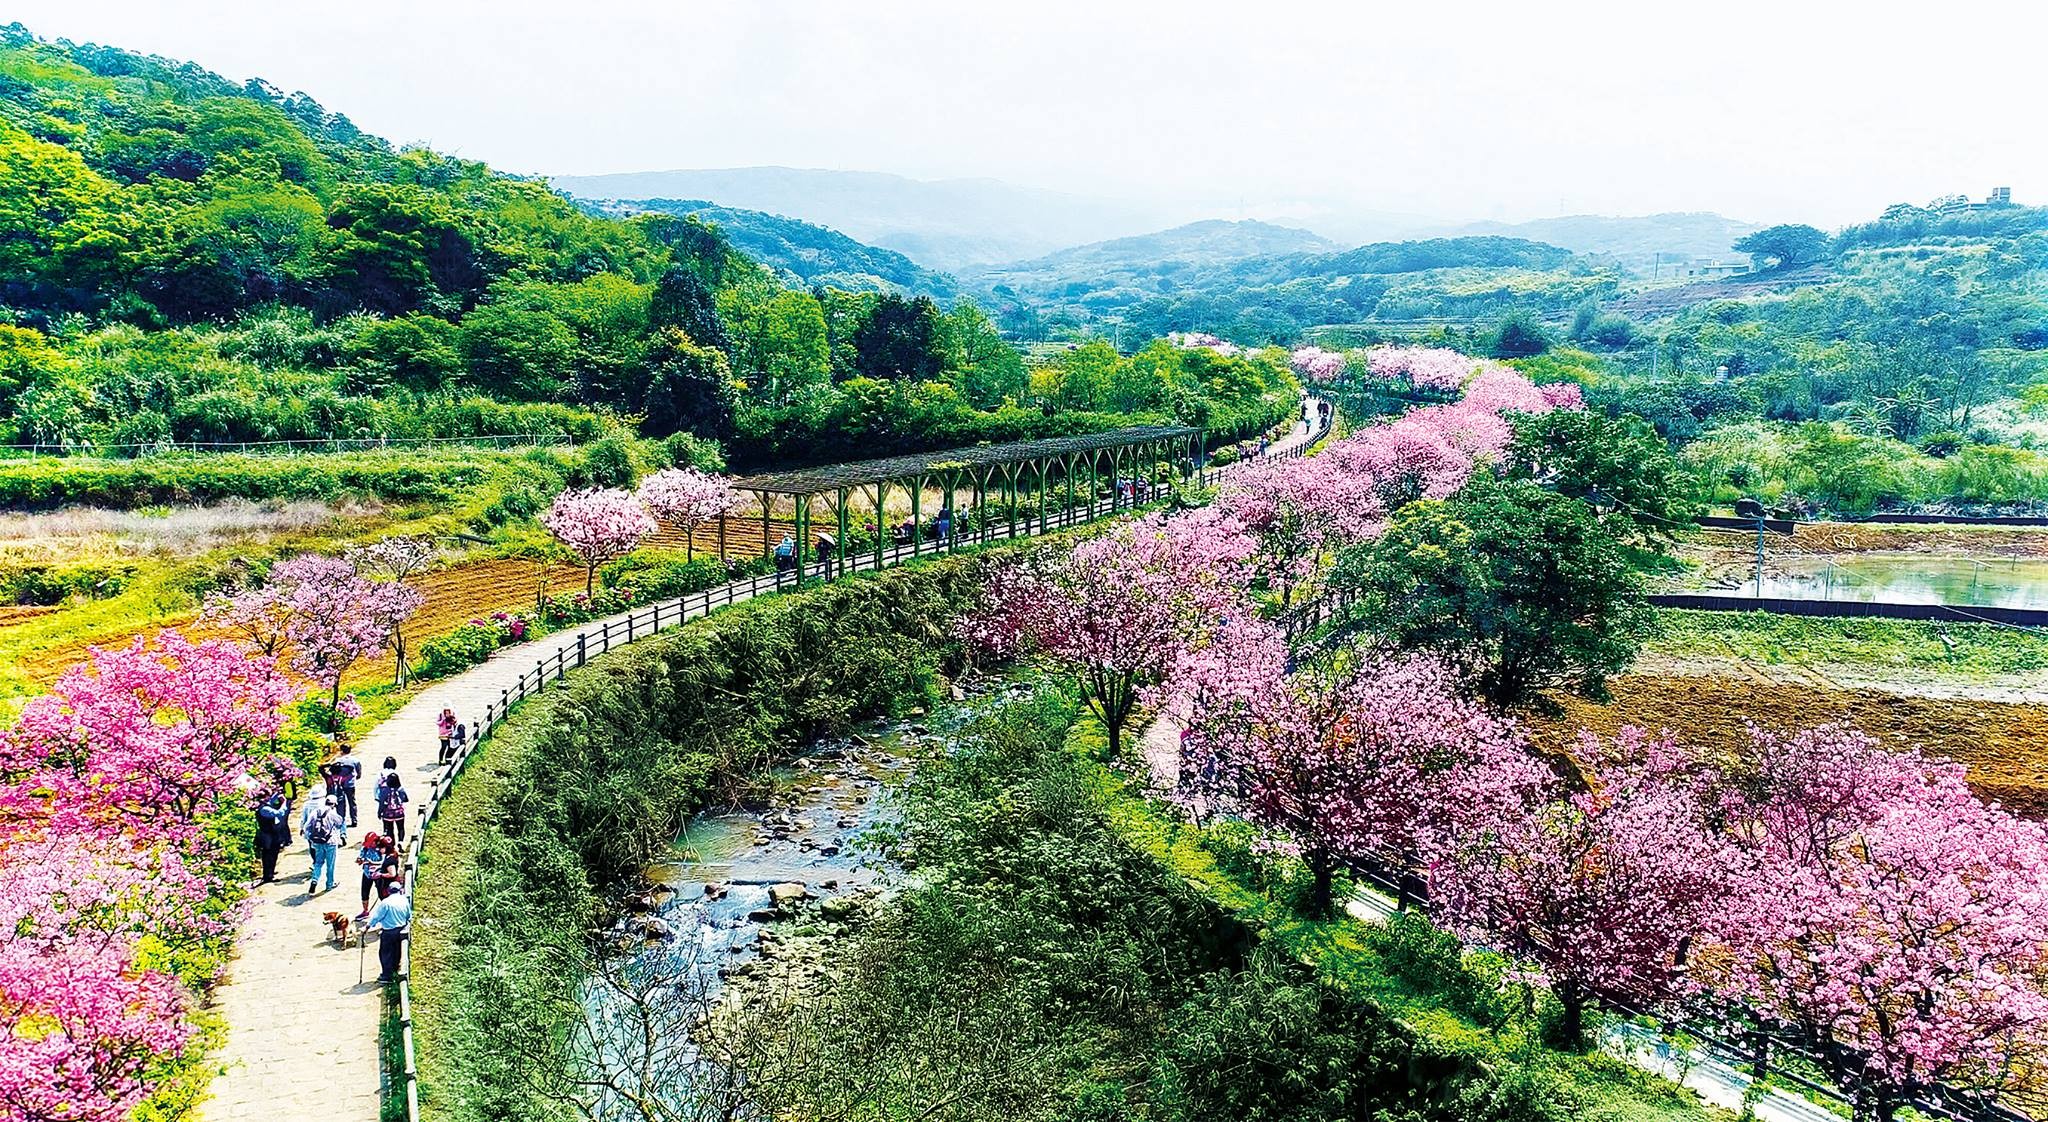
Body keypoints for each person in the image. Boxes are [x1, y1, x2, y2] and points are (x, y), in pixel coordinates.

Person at [363, 882, 412, 983]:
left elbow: (376, 917)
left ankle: (386, 975)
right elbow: (408, 916)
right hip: (401, 930)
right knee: (397, 951)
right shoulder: (404, 900)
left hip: (389, 932)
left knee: (385, 954)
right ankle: (394, 971)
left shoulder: (386, 903)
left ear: (388, 891)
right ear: (400, 890)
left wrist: (367, 927)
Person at [305, 796, 346, 895]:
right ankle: (329, 884)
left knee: (318, 863)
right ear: (334, 804)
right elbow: (340, 823)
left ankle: (314, 880)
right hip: (330, 842)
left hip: (317, 842)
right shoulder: (332, 813)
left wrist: (311, 838)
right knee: (330, 864)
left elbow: (307, 826)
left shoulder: (315, 812)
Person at [254, 793, 292, 884]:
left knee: (272, 854)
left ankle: (270, 872)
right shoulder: (265, 809)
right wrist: (284, 803)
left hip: (271, 834)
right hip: (269, 836)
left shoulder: (263, 806)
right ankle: (268, 876)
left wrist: (277, 795)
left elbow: (271, 800)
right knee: (269, 855)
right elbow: (280, 813)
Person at [355, 832, 387, 919]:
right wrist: (360, 859)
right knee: (364, 893)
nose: (369, 845)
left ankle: (386, 911)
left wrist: (372, 863)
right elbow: (361, 856)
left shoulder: (381, 847)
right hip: (367, 873)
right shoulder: (365, 848)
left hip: (378, 874)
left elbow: (383, 862)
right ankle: (365, 911)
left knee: (381, 894)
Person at [330, 744, 362, 827]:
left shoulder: (338, 760)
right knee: (352, 802)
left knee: (341, 803)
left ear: (341, 751)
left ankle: (341, 820)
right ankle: (354, 820)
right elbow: (358, 772)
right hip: (351, 784)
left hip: (340, 784)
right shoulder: (355, 760)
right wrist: (356, 777)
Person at [376, 773, 411, 845]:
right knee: (401, 828)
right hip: (399, 813)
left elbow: (381, 802)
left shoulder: (384, 790)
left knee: (389, 829)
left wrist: (379, 812)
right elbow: (406, 799)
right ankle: (400, 841)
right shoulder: (400, 789)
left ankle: (391, 844)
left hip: (387, 814)